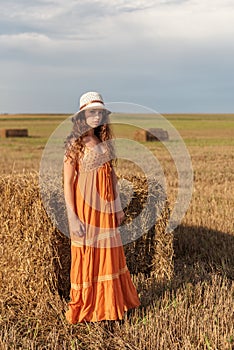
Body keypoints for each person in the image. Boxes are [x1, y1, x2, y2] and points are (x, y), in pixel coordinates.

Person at [63, 91, 140, 324]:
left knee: (108, 254)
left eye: (100, 112)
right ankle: (89, 307)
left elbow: (111, 177)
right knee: (89, 255)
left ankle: (109, 306)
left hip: (105, 209)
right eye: (91, 112)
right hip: (86, 209)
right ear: (81, 116)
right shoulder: (74, 145)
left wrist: (117, 206)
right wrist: (73, 218)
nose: (96, 117)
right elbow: (67, 183)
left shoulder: (103, 142)